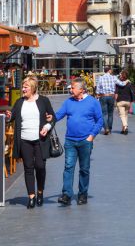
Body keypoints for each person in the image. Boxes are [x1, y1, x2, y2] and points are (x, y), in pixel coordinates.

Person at [51, 78, 103, 206]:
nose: (70, 89)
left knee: (84, 169)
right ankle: (67, 195)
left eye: (73, 87)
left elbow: (100, 120)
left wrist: (91, 136)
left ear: (81, 89)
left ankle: (82, 194)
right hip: (70, 140)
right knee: (68, 167)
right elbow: (59, 115)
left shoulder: (92, 102)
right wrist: (50, 118)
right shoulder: (68, 102)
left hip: (85, 141)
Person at [6, 76, 55, 209]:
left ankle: (40, 191)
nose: (23, 89)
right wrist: (9, 117)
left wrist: (47, 126)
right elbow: (11, 117)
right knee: (28, 168)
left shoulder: (44, 101)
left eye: (25, 87)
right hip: (24, 140)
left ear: (32, 88)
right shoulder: (19, 102)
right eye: (23, 86)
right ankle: (31, 196)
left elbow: (52, 117)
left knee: (40, 167)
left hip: (40, 140)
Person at [95, 66, 128, 134]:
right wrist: (127, 81)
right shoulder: (114, 77)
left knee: (104, 113)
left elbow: (98, 89)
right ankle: (109, 129)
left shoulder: (100, 78)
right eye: (111, 70)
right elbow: (122, 84)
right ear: (109, 71)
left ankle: (106, 128)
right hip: (111, 97)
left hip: (103, 96)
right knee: (110, 113)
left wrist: (98, 94)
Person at [115, 70, 135, 135]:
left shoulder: (118, 84)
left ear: (122, 76)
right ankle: (123, 130)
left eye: (120, 75)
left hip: (120, 101)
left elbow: (116, 93)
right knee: (125, 115)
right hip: (128, 101)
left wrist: (115, 101)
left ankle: (125, 126)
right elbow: (132, 93)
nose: (119, 76)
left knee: (122, 115)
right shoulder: (130, 83)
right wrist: (132, 101)